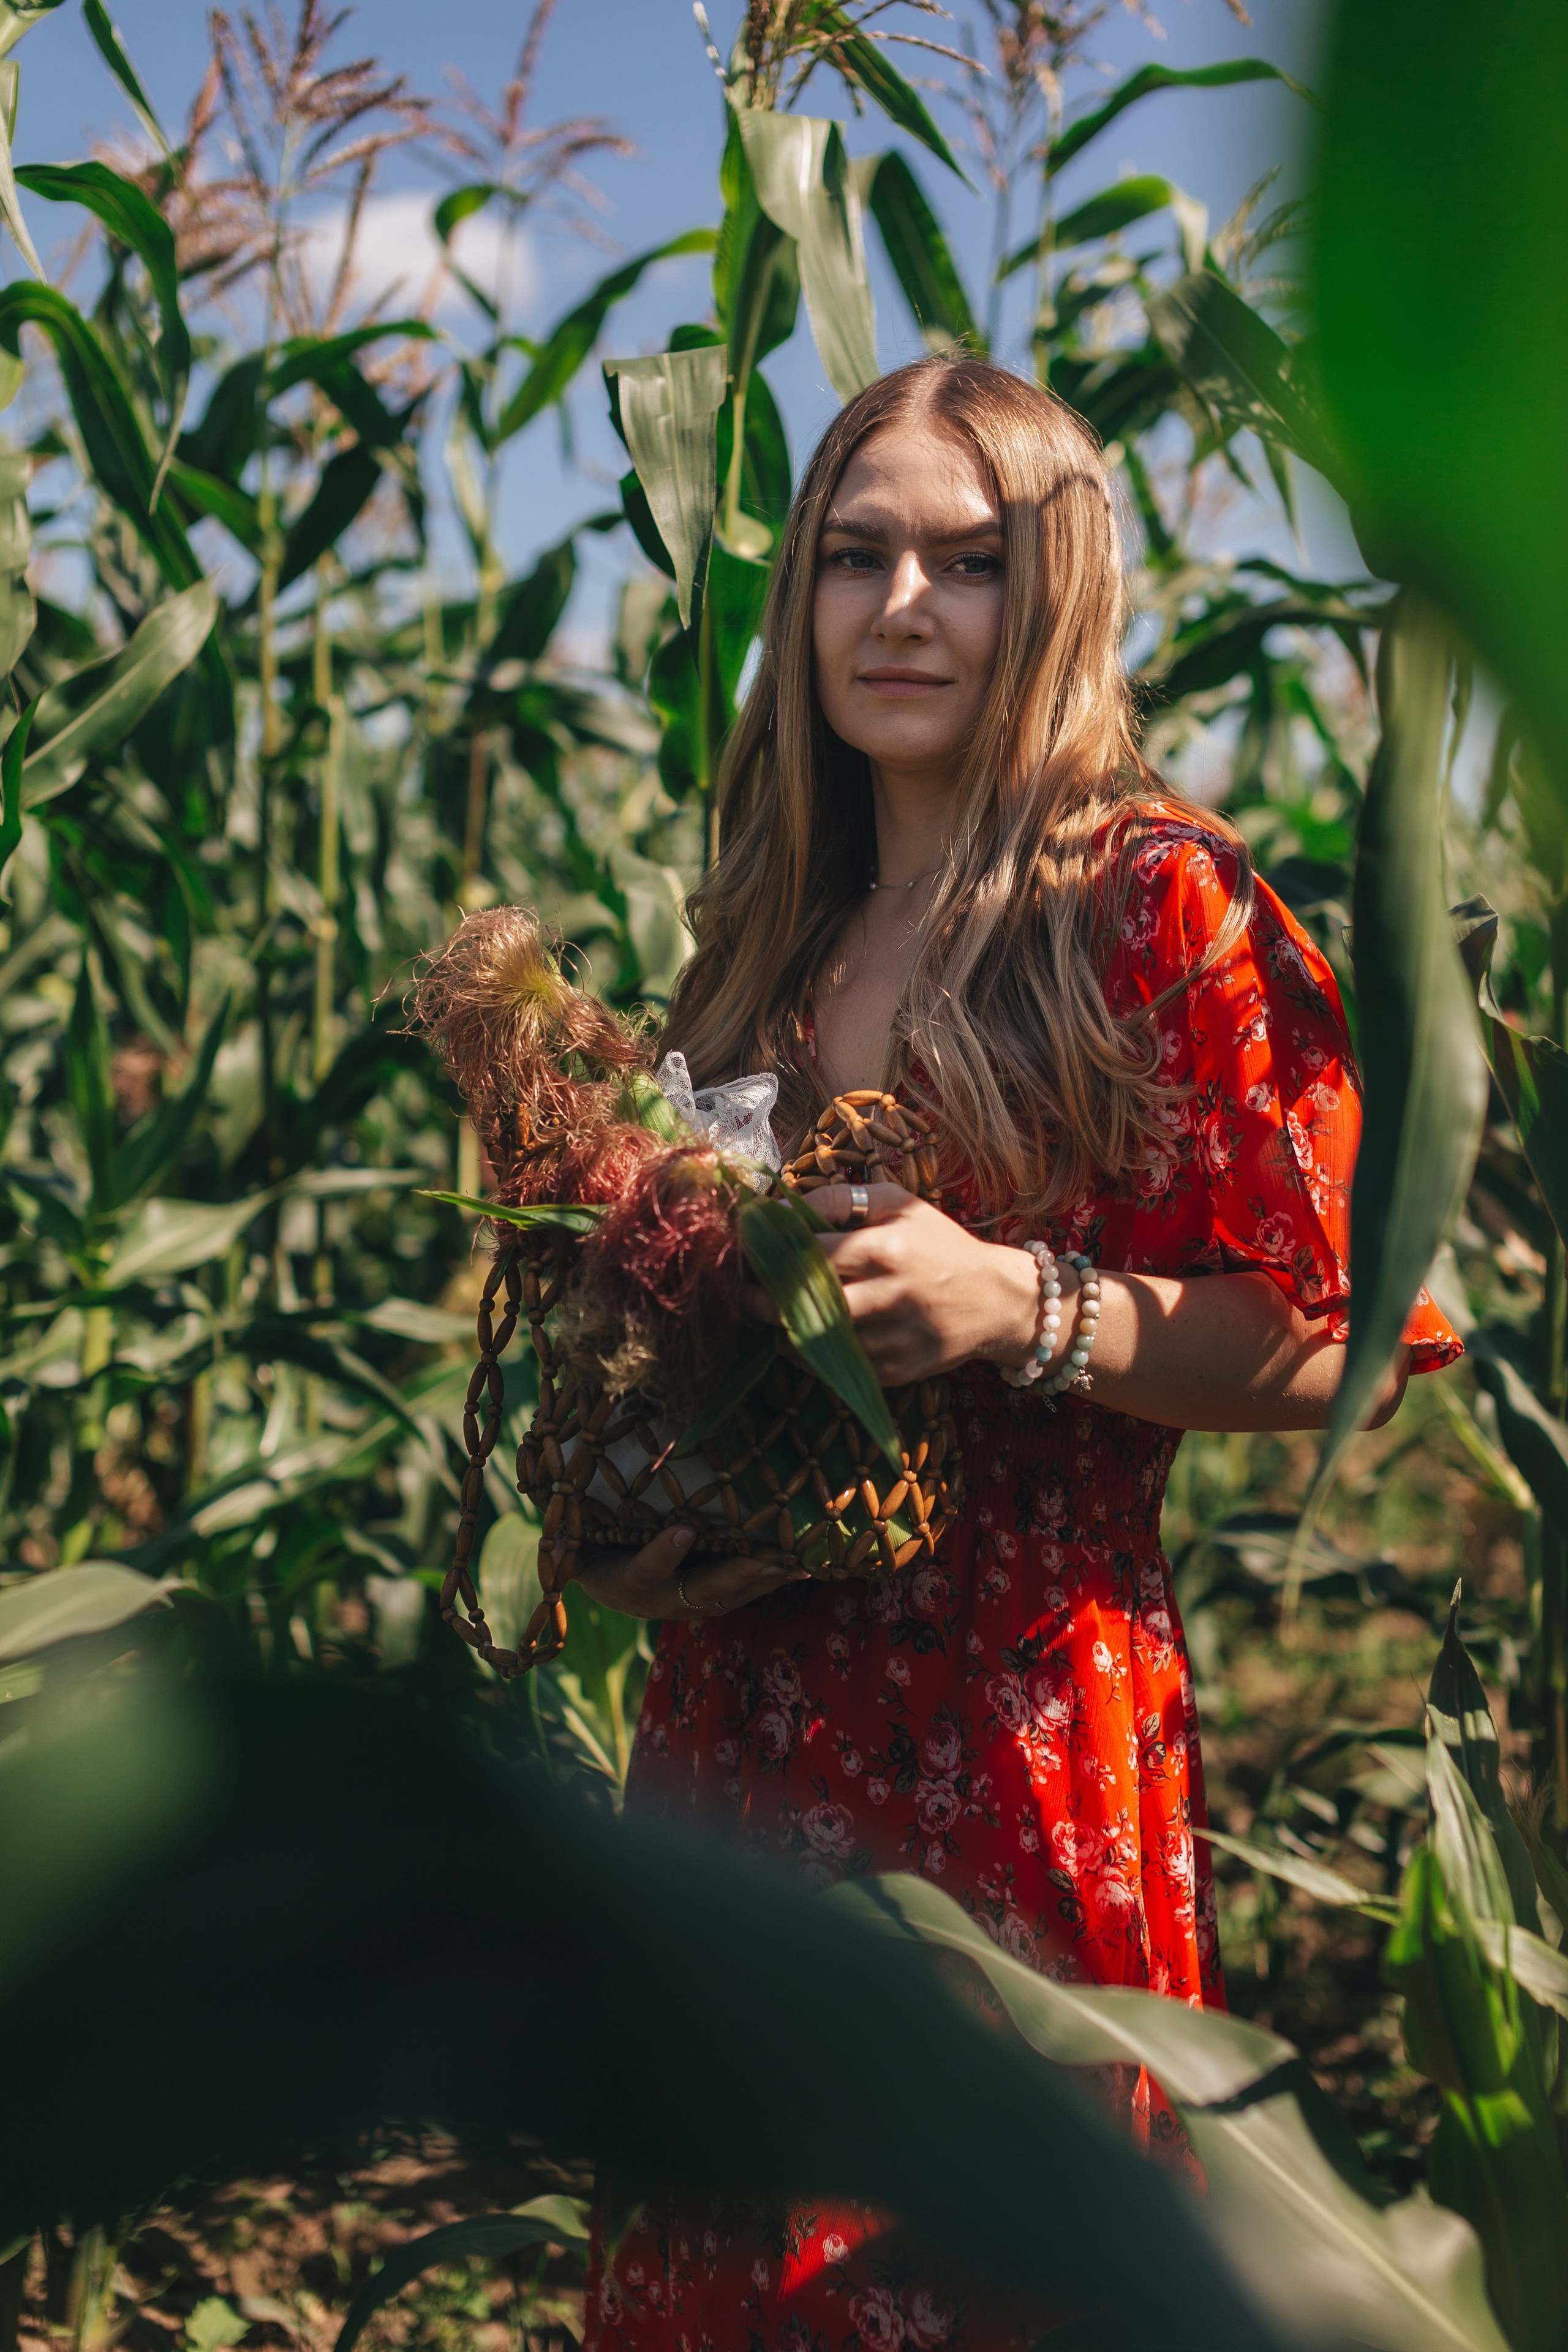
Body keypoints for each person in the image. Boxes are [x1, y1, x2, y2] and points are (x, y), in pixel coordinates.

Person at [576, 355, 1460, 2352]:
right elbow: (702, 1358)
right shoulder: (770, 934)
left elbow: (1351, 1335)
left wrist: (1025, 1307)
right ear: (796, 595)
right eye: (857, 555)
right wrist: (635, 1532)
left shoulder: (1161, 906)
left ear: (1053, 594)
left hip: (1012, 1740)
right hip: (731, 1741)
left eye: (968, 563)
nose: (903, 609)